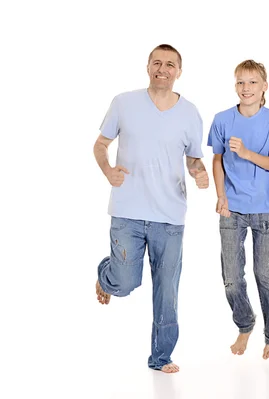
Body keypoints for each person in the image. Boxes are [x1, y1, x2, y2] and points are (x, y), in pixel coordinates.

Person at [93, 44, 209, 373]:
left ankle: (161, 358)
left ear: (179, 72)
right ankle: (108, 275)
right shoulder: (123, 103)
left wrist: (198, 171)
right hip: (127, 212)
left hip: (170, 217)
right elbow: (100, 145)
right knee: (126, 282)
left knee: (167, 292)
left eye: (170, 64)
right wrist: (108, 170)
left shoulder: (190, 112)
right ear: (147, 67)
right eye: (157, 62)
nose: (163, 68)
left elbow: (193, 156)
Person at [207, 59, 269, 360]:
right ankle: (245, 324)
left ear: (264, 86)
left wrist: (246, 153)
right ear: (235, 86)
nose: (246, 88)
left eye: (253, 82)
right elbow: (217, 160)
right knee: (231, 277)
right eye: (241, 82)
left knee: (265, 274)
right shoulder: (221, 119)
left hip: (264, 209)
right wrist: (221, 196)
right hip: (231, 209)